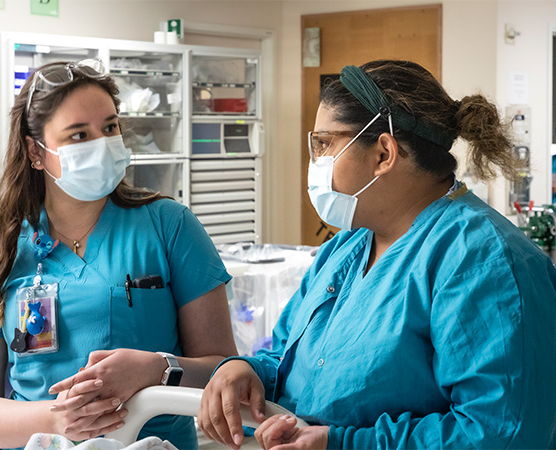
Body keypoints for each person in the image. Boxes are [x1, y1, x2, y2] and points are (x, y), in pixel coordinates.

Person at [197, 60, 556, 450]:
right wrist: (245, 369)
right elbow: (287, 357)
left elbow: (503, 433)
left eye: (325, 144)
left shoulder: (484, 262)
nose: (316, 162)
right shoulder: (345, 248)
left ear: (384, 153)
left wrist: (343, 444)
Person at [0, 59, 237, 450]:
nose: (101, 145)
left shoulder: (169, 227)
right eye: (78, 135)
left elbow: (226, 370)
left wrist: (157, 369)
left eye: (109, 128)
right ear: (35, 152)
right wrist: (55, 419)